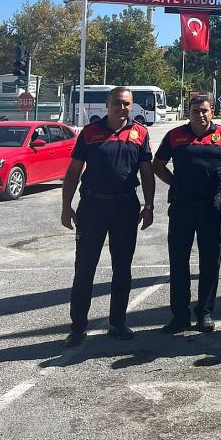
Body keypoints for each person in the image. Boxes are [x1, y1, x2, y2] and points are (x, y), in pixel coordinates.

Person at [60, 86, 155, 346]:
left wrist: (149, 206)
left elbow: (146, 172)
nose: (121, 108)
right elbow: (73, 172)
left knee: (122, 268)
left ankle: (118, 322)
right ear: (107, 104)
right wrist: (66, 206)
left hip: (125, 207)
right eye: (117, 103)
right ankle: (78, 326)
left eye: (126, 104)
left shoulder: (140, 133)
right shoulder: (90, 133)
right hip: (92, 207)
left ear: (131, 106)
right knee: (85, 268)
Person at [152, 97, 221, 334]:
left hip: (211, 208)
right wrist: (175, 183)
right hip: (182, 208)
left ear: (212, 112)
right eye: (195, 111)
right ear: (188, 113)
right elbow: (157, 165)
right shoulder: (175, 135)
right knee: (179, 262)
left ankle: (205, 313)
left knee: (210, 262)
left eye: (204, 110)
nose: (200, 115)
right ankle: (179, 316)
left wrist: (220, 182)